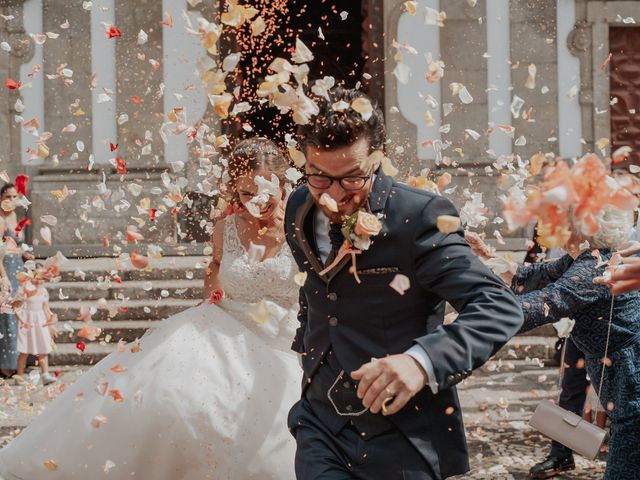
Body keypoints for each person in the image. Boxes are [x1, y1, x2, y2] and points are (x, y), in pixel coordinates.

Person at [0, 138, 301, 479]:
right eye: (245, 194)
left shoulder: (305, 225)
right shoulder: (226, 228)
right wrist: (210, 306)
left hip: (284, 337)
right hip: (227, 325)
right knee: (170, 396)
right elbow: (216, 269)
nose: (254, 202)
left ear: (283, 182)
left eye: (263, 192)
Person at [284, 87, 524, 480]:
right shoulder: (298, 206)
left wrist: (420, 361)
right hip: (319, 422)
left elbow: (498, 305)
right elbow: (316, 287)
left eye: (352, 178)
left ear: (377, 158)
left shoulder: (419, 216)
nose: (335, 195)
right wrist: (305, 348)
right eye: (319, 177)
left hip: (400, 432)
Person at [468, 206, 640, 479]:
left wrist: (472, 320)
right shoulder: (579, 259)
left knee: (626, 456)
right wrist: (485, 254)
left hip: (630, 379)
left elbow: (545, 303)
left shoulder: (593, 267)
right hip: (616, 379)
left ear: (580, 228)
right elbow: (530, 277)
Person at [15, 263, 58, 386]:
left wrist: (50, 324)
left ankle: (45, 374)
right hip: (27, 320)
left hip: (40, 320)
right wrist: (23, 321)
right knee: (25, 351)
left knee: (43, 348)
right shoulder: (25, 288)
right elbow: (16, 308)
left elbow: (45, 308)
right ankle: (20, 376)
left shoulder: (43, 290)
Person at [0, 183, 26, 378]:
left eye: (14, 196)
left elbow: (20, 244)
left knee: (20, 313)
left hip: (19, 266)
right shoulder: (0, 221)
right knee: (8, 314)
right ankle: (7, 364)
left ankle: (22, 361)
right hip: (6, 268)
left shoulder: (18, 217)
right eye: (7, 197)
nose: (11, 200)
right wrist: (4, 277)